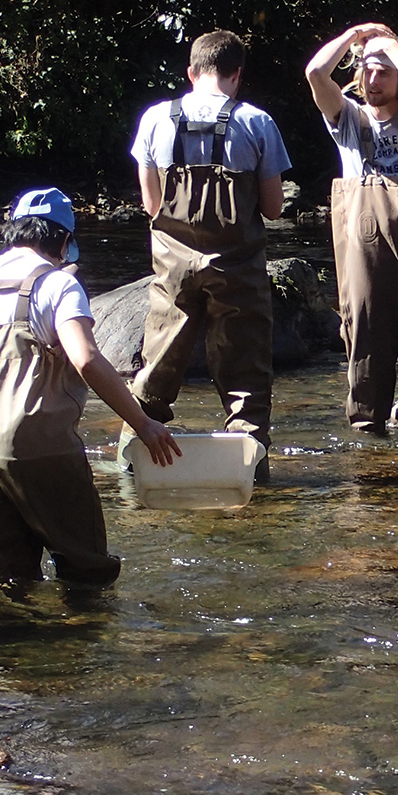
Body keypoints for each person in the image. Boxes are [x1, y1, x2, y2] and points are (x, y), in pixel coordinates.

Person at [0, 188, 181, 588]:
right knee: (87, 574)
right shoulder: (56, 286)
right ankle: (80, 645)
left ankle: (1, 649)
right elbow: (86, 360)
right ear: (63, 240)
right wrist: (143, 423)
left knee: (0, 581)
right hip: (38, 447)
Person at [126, 29, 291, 476]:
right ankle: (250, 468)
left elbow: (152, 206)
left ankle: (131, 459)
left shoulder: (155, 118)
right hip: (237, 267)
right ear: (237, 75)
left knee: (158, 363)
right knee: (245, 373)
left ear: (191, 72)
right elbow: (274, 209)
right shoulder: (257, 122)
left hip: (174, 266)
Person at [305, 22, 398, 436]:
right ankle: (368, 445)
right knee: (367, 348)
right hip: (366, 254)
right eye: (367, 70)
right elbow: (316, 73)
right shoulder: (348, 121)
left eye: (383, 70)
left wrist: (390, 45)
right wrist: (356, 37)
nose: (372, 78)